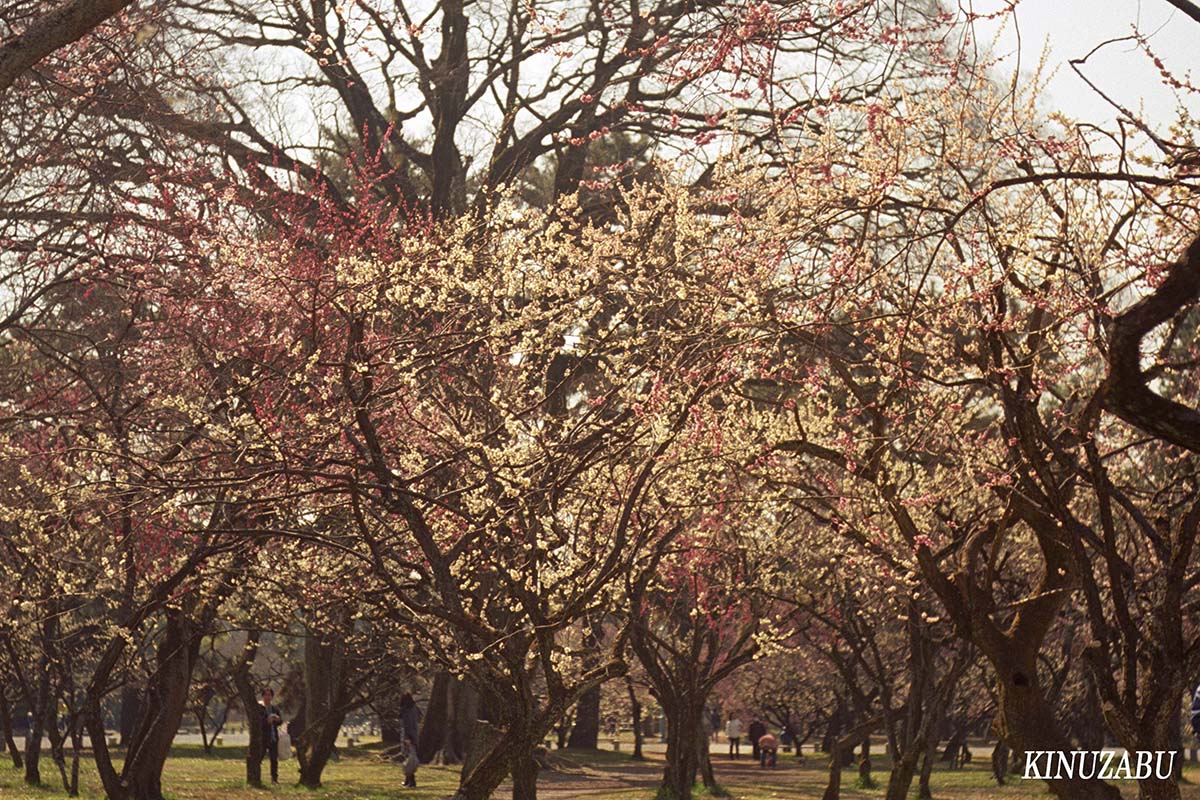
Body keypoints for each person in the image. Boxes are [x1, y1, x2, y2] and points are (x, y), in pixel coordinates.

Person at [259, 688, 283, 784]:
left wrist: (277, 720)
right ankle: (256, 777)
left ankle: (274, 779)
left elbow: (280, 721)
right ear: (263, 696)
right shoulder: (259, 708)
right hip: (263, 737)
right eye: (266, 695)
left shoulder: (274, 709)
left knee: (274, 759)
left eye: (269, 695)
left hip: (273, 737)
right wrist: (267, 721)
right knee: (259, 758)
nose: (267, 697)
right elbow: (258, 723)